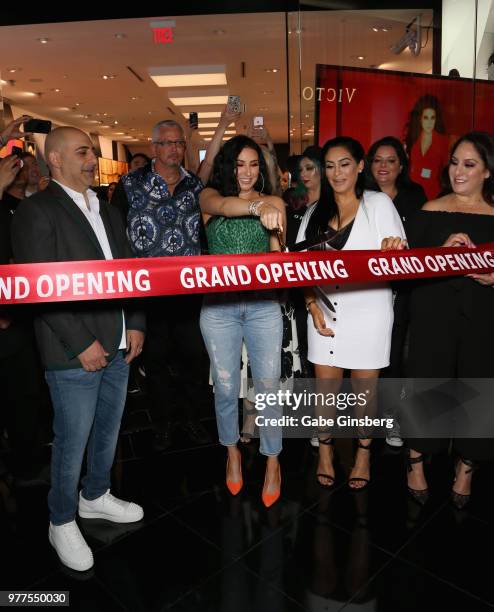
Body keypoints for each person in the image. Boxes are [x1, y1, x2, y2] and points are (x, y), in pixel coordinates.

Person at [11, 127, 146, 572]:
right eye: (84, 152)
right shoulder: (35, 211)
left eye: (91, 152)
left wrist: (137, 323)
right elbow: (38, 288)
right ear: (55, 160)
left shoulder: (106, 211)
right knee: (72, 440)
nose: (92, 160)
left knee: (108, 430)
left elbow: (128, 270)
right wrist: (80, 343)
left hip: (118, 340)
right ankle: (61, 518)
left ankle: (95, 495)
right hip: (73, 351)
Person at [296, 136, 406, 490]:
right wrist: (311, 305)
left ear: (360, 166)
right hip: (324, 313)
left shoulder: (379, 205)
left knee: (364, 391)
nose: (336, 172)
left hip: (369, 312)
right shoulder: (313, 212)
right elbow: (299, 267)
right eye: (329, 165)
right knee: (325, 390)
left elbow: (398, 253)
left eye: (345, 164)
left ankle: (362, 453)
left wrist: (394, 248)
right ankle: (326, 451)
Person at [405, 131, 494, 509]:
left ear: (488, 172)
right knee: (429, 381)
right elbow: (408, 269)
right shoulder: (428, 211)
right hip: (433, 312)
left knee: (479, 380)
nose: (458, 171)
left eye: (469, 165)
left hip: (483, 313)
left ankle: (467, 466)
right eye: (455, 162)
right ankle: (415, 461)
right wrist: (439, 254)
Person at [111, 119, 212, 450]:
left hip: (189, 293)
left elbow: (205, 234)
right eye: (167, 143)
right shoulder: (129, 185)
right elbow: (115, 238)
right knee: (154, 364)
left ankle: (194, 420)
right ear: (154, 147)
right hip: (147, 295)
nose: (174, 149)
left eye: (179, 143)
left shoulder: (196, 186)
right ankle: (162, 424)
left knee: (194, 360)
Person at [199, 135, 286, 507]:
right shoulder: (208, 197)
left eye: (253, 164)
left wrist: (274, 226)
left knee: (268, 386)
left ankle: (272, 460)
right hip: (218, 308)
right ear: (227, 166)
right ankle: (232, 452)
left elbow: (279, 257)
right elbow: (225, 206)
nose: (247, 172)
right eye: (239, 164)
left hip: (264, 305)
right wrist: (257, 208)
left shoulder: (276, 201)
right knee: (224, 387)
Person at [366, 136, 427, 447]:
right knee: (365, 356)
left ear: (401, 166)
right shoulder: (359, 196)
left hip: (402, 291)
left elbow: (423, 244)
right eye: (378, 160)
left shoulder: (415, 198)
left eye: (391, 161)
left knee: (394, 355)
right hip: (365, 291)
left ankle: (392, 417)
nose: (384, 166)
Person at [405, 94, 449, 201]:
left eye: (432, 118)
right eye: (426, 118)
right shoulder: (413, 139)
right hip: (412, 193)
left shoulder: (443, 141)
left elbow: (447, 171)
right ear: (420, 119)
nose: (429, 122)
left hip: (433, 193)